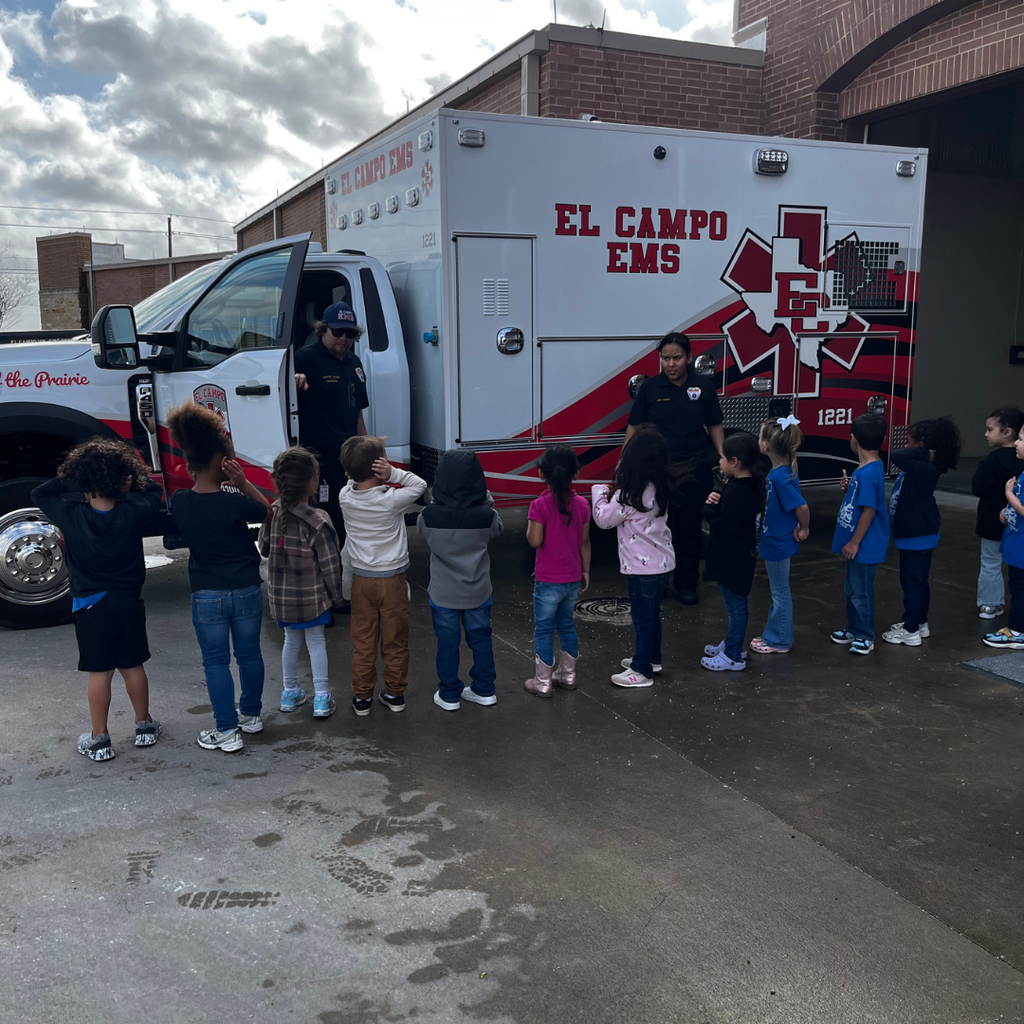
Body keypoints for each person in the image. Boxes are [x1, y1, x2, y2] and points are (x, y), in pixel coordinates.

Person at [32, 440, 162, 762]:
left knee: (99, 673)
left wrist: (77, 477)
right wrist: (129, 475)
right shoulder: (134, 512)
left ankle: (99, 739)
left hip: (90, 604)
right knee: (133, 665)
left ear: (83, 481)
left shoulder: (71, 514)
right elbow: (154, 492)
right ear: (123, 481)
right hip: (129, 600)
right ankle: (144, 725)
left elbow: (39, 494)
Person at [166, 403, 272, 753]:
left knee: (216, 661)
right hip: (245, 588)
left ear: (190, 462)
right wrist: (243, 483)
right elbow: (268, 510)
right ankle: (252, 716)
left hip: (207, 593)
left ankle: (226, 729)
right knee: (250, 654)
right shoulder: (235, 501)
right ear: (224, 462)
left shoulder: (180, 501)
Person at [626, 332, 724, 605]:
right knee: (655, 529)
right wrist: (626, 462)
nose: (670, 364)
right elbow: (634, 426)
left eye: (677, 358)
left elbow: (715, 424)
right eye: (665, 358)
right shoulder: (650, 388)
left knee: (688, 530)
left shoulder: (703, 387)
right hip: (656, 471)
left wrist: (723, 456)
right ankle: (659, 583)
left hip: (694, 468)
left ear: (689, 358)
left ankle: (686, 583)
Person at [338, 435, 427, 715]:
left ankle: (362, 698)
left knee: (363, 641)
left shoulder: (345, 498)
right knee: (395, 640)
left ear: (348, 473)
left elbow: (352, 480)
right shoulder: (392, 500)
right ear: (380, 466)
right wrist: (393, 474)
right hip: (393, 582)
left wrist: (358, 473)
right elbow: (420, 485)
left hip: (361, 581)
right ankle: (394, 694)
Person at [258, 447, 343, 718]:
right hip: (312, 598)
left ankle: (289, 691)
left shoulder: (273, 513)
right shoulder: (318, 521)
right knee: (316, 642)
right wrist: (336, 596)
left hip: (281, 599)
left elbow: (263, 547)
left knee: (290, 640)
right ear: (312, 481)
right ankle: (321, 697)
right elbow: (331, 566)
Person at [293, 300, 368, 608]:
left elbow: (358, 413)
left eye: (350, 334)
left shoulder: (353, 364)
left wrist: (369, 450)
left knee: (343, 527)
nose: (344, 339)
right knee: (320, 529)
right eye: (338, 332)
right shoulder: (303, 359)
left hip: (347, 462)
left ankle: (333, 595)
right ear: (323, 329)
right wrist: (292, 384)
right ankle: (317, 596)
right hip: (317, 462)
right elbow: (282, 402)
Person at [416, 450, 504, 711]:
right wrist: (484, 499)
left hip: (443, 595)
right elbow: (497, 529)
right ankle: (484, 690)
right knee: (481, 640)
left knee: (447, 644)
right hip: (477, 593)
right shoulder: (486, 517)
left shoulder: (428, 517)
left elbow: (423, 533)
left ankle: (449, 694)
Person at [591, 424, 675, 688]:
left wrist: (598, 492)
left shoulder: (629, 495)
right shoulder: (659, 489)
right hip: (663, 565)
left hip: (641, 571)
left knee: (641, 619)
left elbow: (603, 520)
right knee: (652, 616)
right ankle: (652, 659)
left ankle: (641, 670)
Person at [882, 418, 962, 647]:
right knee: (919, 580)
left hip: (916, 531)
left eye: (910, 441)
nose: (906, 444)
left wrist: (927, 454)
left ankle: (910, 629)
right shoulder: (926, 466)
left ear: (921, 445)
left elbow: (897, 456)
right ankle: (919, 621)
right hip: (923, 529)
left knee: (911, 581)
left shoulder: (923, 466)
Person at [525, 446, 592, 697]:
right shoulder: (583, 504)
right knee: (566, 625)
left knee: (543, 628)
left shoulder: (539, 505)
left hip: (547, 580)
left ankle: (543, 681)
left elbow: (535, 541)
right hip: (573, 578)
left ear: (542, 474)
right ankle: (568, 674)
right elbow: (584, 542)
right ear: (575, 474)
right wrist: (585, 571)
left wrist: (530, 524)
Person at [700, 432, 765, 672]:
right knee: (735, 605)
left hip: (732, 559)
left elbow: (727, 526)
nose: (719, 463)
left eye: (722, 458)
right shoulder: (746, 487)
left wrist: (709, 512)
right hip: (739, 557)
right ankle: (732, 644)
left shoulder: (737, 492)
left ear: (735, 461)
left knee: (736, 606)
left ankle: (733, 655)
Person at [830, 413, 889, 656]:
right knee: (852, 587)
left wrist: (854, 542)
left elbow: (869, 510)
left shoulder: (868, 473)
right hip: (859, 545)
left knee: (860, 590)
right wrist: (849, 487)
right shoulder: (865, 469)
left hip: (864, 545)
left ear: (853, 439)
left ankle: (865, 634)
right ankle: (853, 627)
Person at [750, 416, 810, 655]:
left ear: (765, 446)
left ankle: (779, 640)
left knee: (780, 592)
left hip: (777, 541)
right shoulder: (784, 472)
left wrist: (804, 527)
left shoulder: (778, 478)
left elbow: (802, 507)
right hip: (777, 538)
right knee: (779, 590)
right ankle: (775, 634)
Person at [972, 407, 1024, 620]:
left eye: (990, 429)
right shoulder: (1020, 461)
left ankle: (989, 605)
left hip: (991, 522)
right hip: (1018, 525)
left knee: (990, 562)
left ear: (1007, 432)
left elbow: (978, 488)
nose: (986, 434)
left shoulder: (991, 461)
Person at [984, 423, 1024, 649]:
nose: (1016, 443)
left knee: (1019, 591)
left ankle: (1017, 631)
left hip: (1021, 549)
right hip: (1016, 545)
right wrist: (1007, 511)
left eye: (1020, 439)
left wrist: (1008, 496)